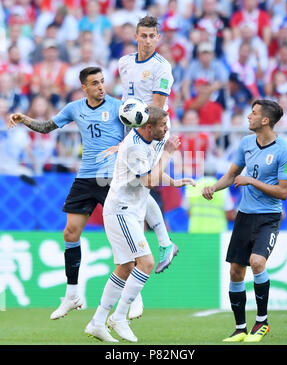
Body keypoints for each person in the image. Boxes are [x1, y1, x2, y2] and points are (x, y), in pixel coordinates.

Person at [8, 66, 125, 319]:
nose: (101, 87)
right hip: (85, 177)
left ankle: (133, 297)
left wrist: (123, 147)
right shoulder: (74, 108)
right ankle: (72, 294)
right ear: (84, 87)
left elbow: (137, 131)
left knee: (121, 234)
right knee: (70, 232)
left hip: (111, 179)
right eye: (95, 83)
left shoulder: (118, 106)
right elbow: (48, 126)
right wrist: (24, 119)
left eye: (103, 82)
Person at [85, 105, 195, 342]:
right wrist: (168, 153)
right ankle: (120, 317)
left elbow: (154, 170)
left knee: (124, 268)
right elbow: (149, 181)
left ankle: (97, 322)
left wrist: (174, 181)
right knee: (145, 263)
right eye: (163, 125)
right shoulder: (134, 146)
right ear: (148, 127)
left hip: (133, 210)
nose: (166, 129)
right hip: (121, 211)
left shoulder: (155, 139)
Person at [202, 99, 287, 342]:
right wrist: (213, 187)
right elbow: (232, 174)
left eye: (253, 114)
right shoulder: (245, 144)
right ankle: (240, 328)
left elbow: (284, 192)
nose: (248, 117)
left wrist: (251, 181)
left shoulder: (284, 150)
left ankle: (262, 323)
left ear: (265, 120)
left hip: (269, 217)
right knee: (235, 271)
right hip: (245, 216)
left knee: (257, 262)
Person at [116, 15, 178, 319]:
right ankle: (165, 245)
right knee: (135, 192)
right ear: (135, 36)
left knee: (142, 188)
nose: (148, 40)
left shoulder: (161, 68)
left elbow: (155, 108)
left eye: (153, 35)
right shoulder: (124, 63)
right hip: (131, 133)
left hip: (151, 132)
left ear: (158, 37)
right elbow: (127, 100)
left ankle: (162, 247)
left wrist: (144, 135)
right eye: (143, 35)